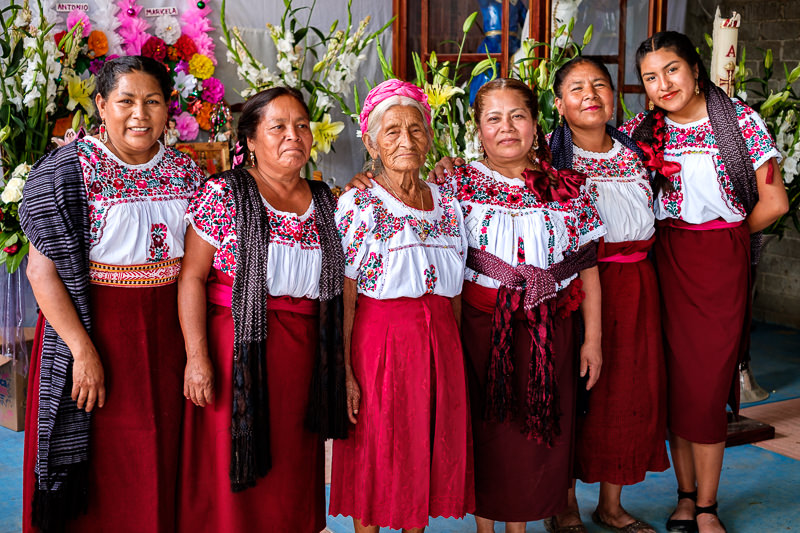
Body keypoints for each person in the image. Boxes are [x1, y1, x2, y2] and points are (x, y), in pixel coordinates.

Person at [352, 78, 606, 533]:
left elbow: (587, 263)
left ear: (536, 123)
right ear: (478, 128)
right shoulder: (456, 184)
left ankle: (523, 524)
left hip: (551, 329)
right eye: (493, 118)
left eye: (518, 116)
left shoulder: (568, 188)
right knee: (486, 436)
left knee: (538, 436)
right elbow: (400, 195)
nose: (506, 128)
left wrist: (594, 341)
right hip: (480, 331)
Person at [20, 56, 203, 531]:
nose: (139, 114)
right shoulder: (64, 172)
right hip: (91, 332)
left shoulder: (188, 173)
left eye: (152, 101)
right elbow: (42, 272)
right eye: (125, 101)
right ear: (101, 105)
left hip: (168, 338)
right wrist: (82, 351)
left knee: (162, 454)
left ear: (168, 110)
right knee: (99, 464)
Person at [622, 31, 789, 533]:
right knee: (673, 383)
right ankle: (685, 497)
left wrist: (727, 239)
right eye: (651, 77)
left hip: (719, 259)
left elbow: (774, 202)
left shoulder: (739, 122)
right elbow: (592, 162)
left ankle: (709, 506)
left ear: (696, 68)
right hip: (662, 258)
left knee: (707, 384)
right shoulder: (644, 129)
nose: (663, 84)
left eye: (672, 69)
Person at [176, 86, 347, 532]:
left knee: (292, 465)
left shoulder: (327, 199)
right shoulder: (223, 193)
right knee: (231, 461)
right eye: (278, 127)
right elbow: (192, 277)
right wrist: (197, 358)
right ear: (250, 141)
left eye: (302, 126)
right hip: (235, 351)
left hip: (305, 354)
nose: (294, 136)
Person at [328, 79, 474, 532]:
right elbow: (345, 293)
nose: (405, 141)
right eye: (391, 131)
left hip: (440, 342)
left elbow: (456, 294)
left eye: (415, 129)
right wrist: (345, 370)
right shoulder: (359, 203)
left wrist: (456, 358)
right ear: (370, 141)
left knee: (424, 448)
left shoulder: (449, 205)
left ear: (430, 136)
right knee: (377, 449)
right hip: (381, 340)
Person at [545, 56, 669, 533]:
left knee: (625, 393)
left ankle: (611, 505)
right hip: (576, 290)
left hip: (637, 285)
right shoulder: (550, 160)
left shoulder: (635, 153)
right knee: (576, 391)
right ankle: (565, 504)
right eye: (576, 88)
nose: (590, 94)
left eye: (599, 84)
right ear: (559, 105)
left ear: (614, 97)